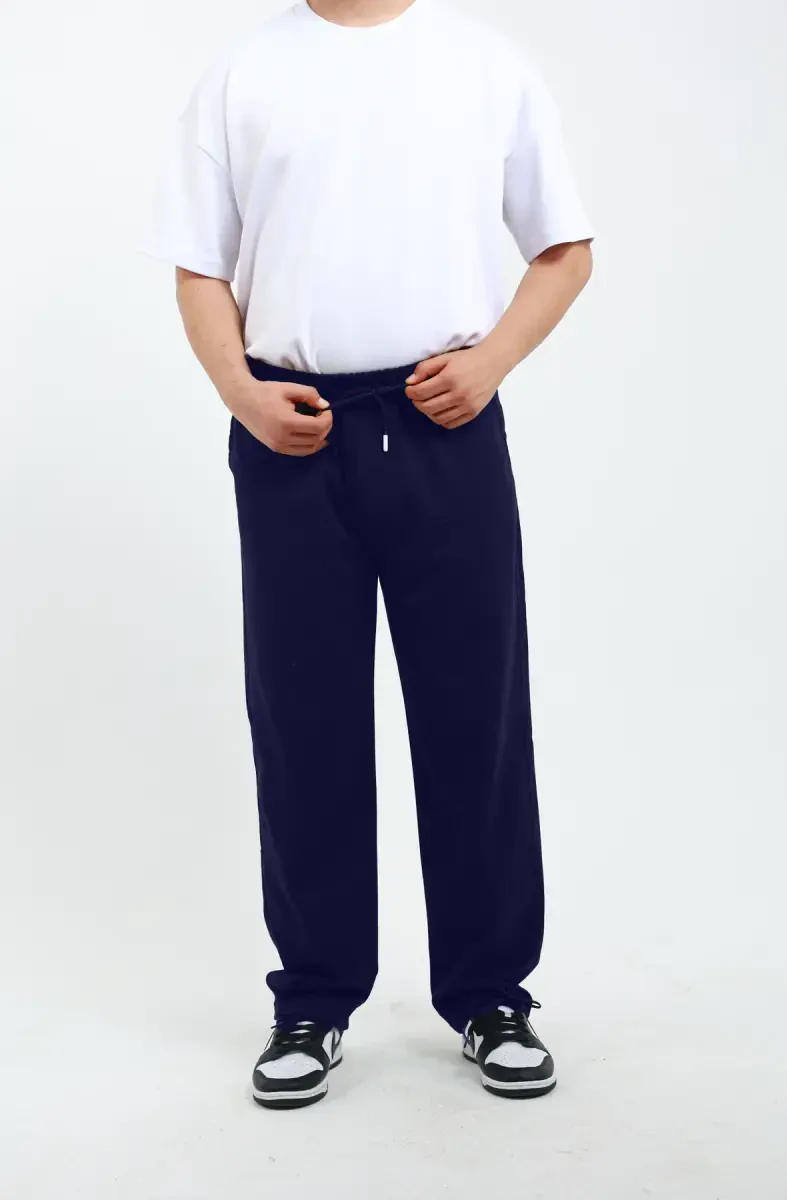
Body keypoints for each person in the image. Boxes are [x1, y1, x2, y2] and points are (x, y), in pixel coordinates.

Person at [141, 0, 593, 1110]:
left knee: (475, 716)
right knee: (305, 724)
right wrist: (240, 393)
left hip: (446, 421)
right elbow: (199, 268)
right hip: (290, 431)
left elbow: (564, 250)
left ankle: (490, 995)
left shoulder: (482, 65)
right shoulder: (243, 75)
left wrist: (491, 362)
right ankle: (312, 998)